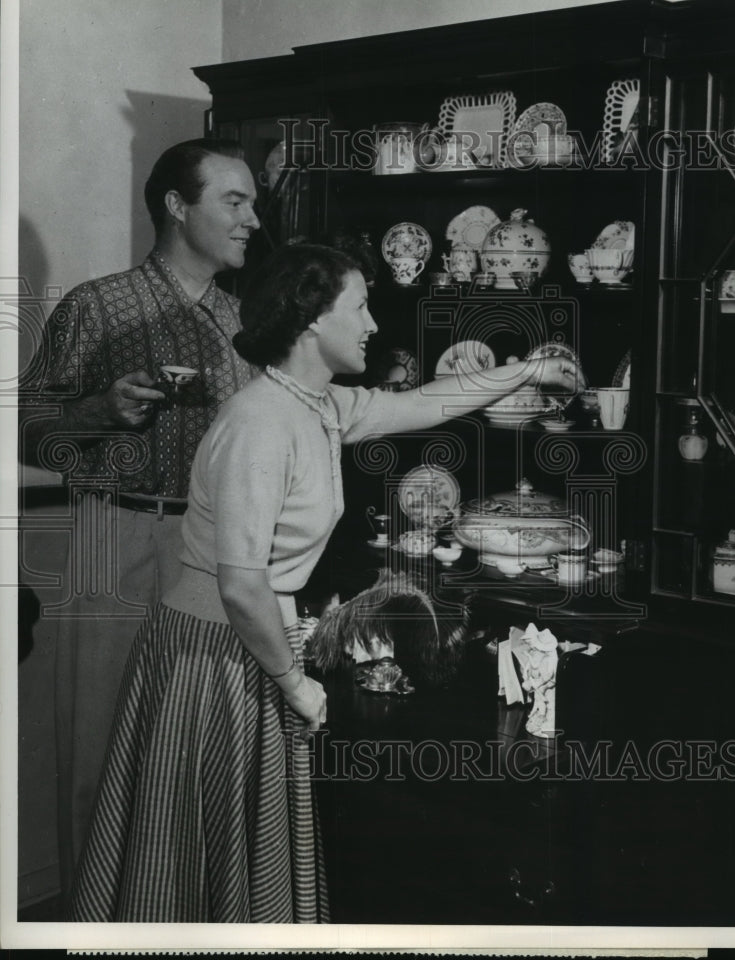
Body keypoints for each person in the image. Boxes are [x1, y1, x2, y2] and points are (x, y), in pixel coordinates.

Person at [67, 242, 583, 923]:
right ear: (312, 320)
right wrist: (294, 682)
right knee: (194, 857)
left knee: (233, 852)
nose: (372, 325)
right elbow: (241, 584)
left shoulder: (317, 404)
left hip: (248, 645)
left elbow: (428, 401)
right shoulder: (259, 423)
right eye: (359, 307)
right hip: (215, 656)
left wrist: (529, 369)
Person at [19, 138, 260, 899]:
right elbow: (27, 425)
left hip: (212, 548)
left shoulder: (244, 321)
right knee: (99, 747)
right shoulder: (99, 305)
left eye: (254, 201)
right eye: (235, 200)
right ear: (176, 207)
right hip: (113, 536)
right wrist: (100, 409)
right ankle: (90, 924)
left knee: (196, 749)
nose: (253, 218)